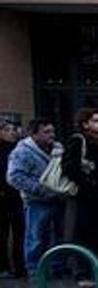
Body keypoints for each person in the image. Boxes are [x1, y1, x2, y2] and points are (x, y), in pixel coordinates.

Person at [63, 107, 98, 286]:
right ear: (85, 124)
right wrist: (89, 184)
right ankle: (82, 274)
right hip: (85, 199)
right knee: (83, 236)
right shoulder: (78, 141)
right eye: (96, 120)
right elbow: (69, 168)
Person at [5, 118, 63, 278]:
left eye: (52, 131)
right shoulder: (22, 152)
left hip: (58, 198)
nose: (52, 135)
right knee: (35, 235)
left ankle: (57, 267)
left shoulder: (57, 148)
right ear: (34, 134)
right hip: (36, 200)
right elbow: (14, 177)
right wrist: (40, 189)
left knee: (58, 234)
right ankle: (34, 269)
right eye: (46, 132)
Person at [0, 120, 25, 278]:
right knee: (2, 234)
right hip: (2, 197)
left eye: (13, 129)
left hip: (18, 196)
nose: (11, 132)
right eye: (7, 130)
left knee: (20, 233)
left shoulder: (20, 149)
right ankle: (3, 267)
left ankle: (20, 267)